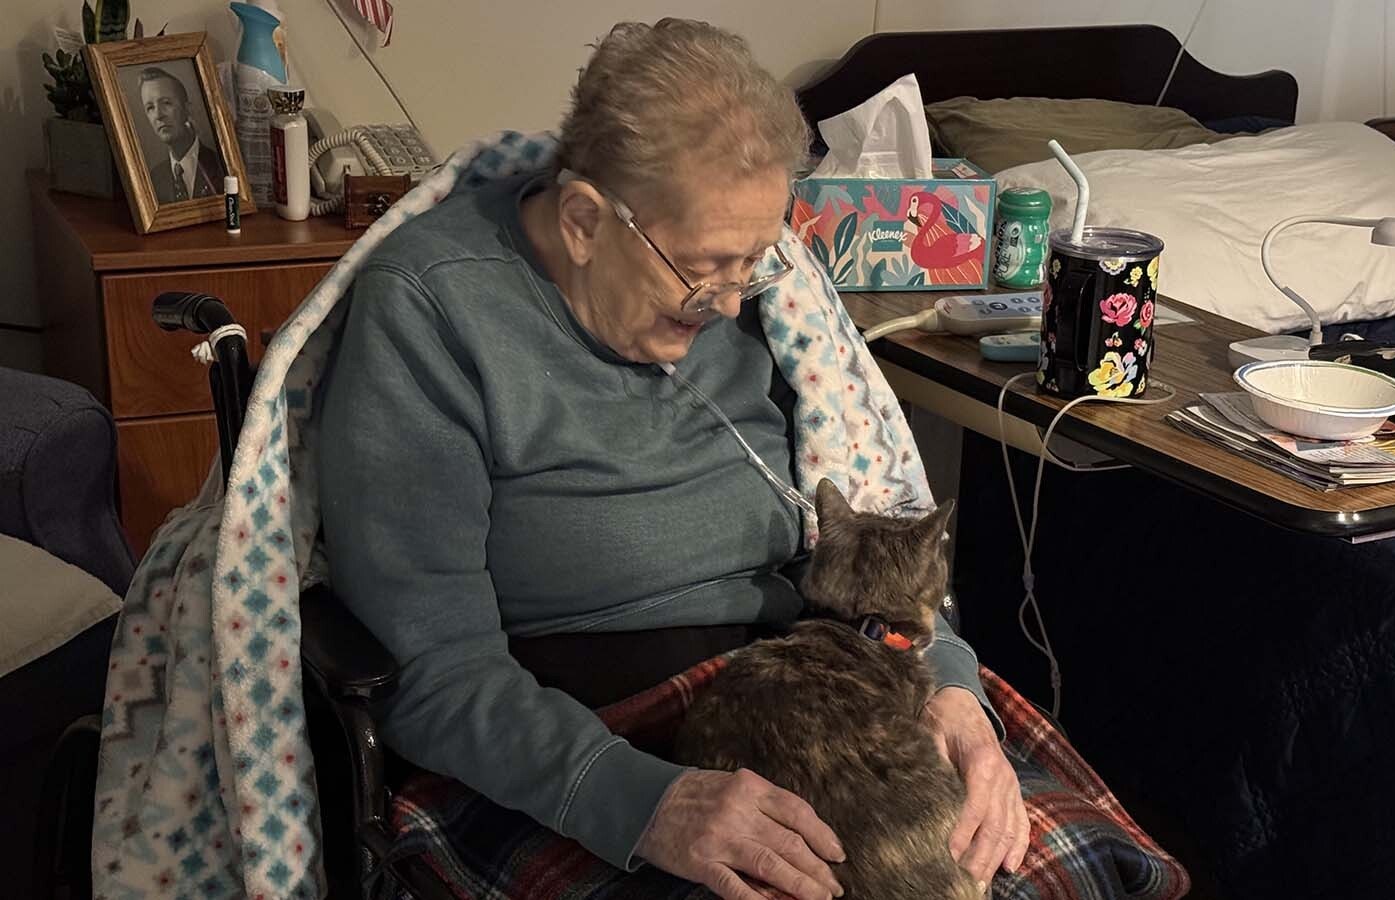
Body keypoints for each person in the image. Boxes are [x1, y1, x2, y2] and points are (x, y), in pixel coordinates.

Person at [317, 19, 1028, 900]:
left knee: (1039, 870)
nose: (732, 306)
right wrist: (644, 805)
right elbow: (433, 670)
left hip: (825, 694)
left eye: (752, 265)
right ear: (583, 221)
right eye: (704, 272)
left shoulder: (756, 291)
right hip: (582, 746)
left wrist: (952, 688)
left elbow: (877, 543)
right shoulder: (432, 309)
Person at [138, 67, 223, 202]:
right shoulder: (154, 179)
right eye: (150, 108)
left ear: (187, 109)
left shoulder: (220, 166)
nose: (158, 115)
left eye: (166, 103)